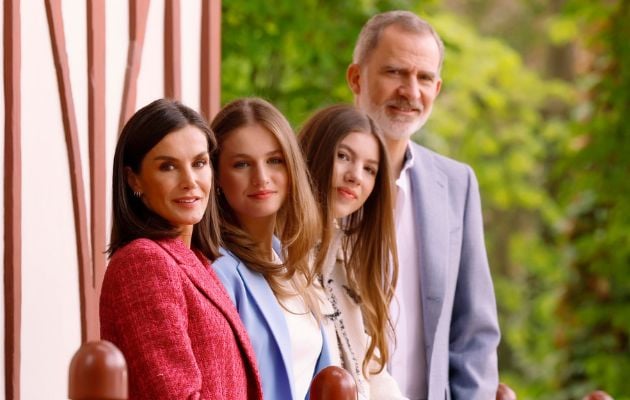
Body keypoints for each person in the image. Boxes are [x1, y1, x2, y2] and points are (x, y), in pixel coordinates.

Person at [346, 10, 501, 399]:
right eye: (395, 72)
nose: (410, 91)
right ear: (356, 78)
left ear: (437, 88)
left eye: (424, 78)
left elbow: (474, 332)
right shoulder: (309, 176)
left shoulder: (456, 184)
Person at [99, 98, 262, 400]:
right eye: (168, 166)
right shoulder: (143, 262)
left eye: (199, 163)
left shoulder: (195, 262)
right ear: (134, 178)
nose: (190, 181)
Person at [210, 97, 334, 400]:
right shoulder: (217, 271)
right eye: (242, 164)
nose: (261, 177)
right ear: (217, 177)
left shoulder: (291, 263)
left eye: (274, 160)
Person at [299, 104, 407, 400]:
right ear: (314, 153)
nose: (355, 176)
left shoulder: (345, 262)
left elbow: (371, 374)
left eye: (369, 169)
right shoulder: (280, 256)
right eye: (344, 156)